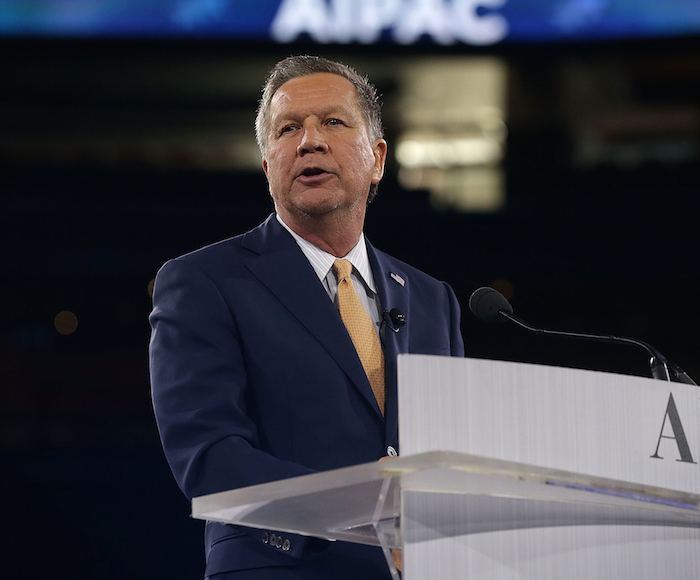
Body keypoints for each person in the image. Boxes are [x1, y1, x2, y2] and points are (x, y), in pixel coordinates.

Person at [149, 55, 465, 579]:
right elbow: (209, 458)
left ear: (377, 157)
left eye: (333, 123)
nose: (309, 141)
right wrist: (367, 507)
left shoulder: (433, 300)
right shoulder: (204, 282)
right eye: (288, 128)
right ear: (269, 163)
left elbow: (452, 455)